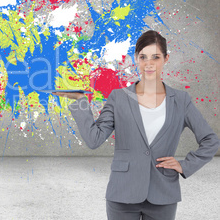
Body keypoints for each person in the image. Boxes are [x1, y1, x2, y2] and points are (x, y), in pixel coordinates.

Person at [53, 30, 219, 220]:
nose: (149, 63)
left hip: (163, 194)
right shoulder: (118, 97)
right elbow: (94, 139)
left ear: (166, 59)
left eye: (155, 57)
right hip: (122, 193)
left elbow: (210, 140)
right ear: (136, 59)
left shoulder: (180, 100)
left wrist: (185, 165)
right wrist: (80, 100)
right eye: (143, 57)